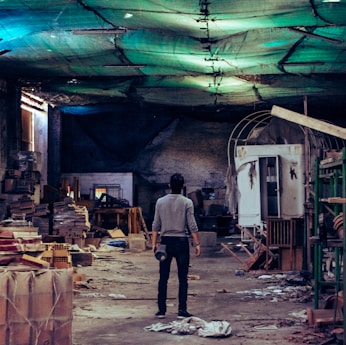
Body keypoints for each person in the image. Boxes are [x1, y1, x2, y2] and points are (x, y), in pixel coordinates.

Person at [152, 173, 201, 319]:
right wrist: (197, 243)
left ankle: (161, 310)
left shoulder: (160, 202)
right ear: (182, 187)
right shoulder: (187, 202)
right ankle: (182, 310)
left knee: (163, 277)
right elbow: (192, 225)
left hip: (165, 243)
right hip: (181, 242)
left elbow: (155, 224)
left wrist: (154, 243)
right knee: (182, 278)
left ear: (169, 185)